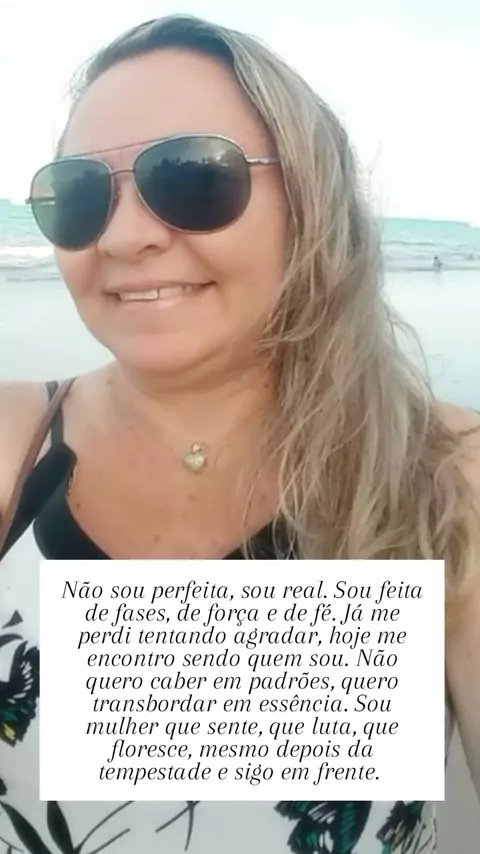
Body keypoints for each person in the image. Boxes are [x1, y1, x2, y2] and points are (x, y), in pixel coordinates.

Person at [0, 14, 479, 854]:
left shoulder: (446, 474)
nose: (125, 236)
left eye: (191, 176)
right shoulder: (14, 444)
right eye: (77, 194)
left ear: (311, 201)